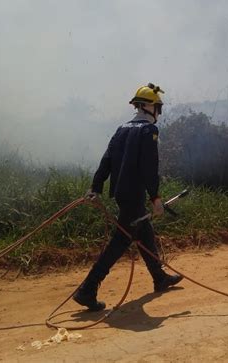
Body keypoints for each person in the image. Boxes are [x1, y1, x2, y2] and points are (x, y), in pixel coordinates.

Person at [73, 83, 183, 311]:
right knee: (120, 241)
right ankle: (88, 288)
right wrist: (156, 198)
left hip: (122, 194)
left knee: (145, 234)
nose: (159, 113)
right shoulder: (149, 131)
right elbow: (149, 168)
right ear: (148, 107)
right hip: (134, 195)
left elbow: (106, 160)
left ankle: (159, 278)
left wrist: (96, 186)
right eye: (158, 108)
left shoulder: (121, 129)